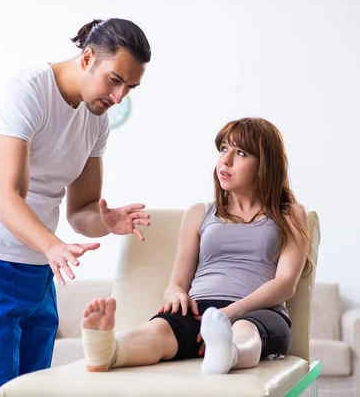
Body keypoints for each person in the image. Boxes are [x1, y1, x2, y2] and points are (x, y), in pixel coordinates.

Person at [0, 18, 152, 396]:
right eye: (115, 80)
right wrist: (53, 246)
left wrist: (107, 221)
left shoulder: (95, 120)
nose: (119, 97)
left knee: (30, 390)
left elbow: (81, 210)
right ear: (87, 58)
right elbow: (8, 199)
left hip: (37, 268)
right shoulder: (24, 90)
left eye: (130, 88)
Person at [79, 117, 313, 375]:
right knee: (158, 331)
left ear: (264, 166)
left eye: (241, 153)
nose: (226, 160)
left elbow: (286, 284)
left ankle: (228, 352)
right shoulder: (199, 213)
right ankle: (108, 350)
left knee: (244, 332)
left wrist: (231, 312)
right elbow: (176, 283)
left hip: (259, 311)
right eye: (223, 149)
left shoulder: (289, 214)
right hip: (200, 308)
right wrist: (176, 296)